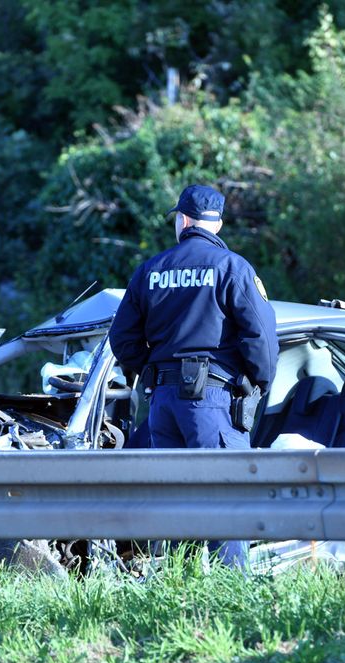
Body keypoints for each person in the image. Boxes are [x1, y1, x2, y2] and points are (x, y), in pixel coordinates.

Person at [109, 184, 279, 569]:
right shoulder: (233, 268)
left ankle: (178, 600)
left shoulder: (151, 270)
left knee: (174, 506)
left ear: (183, 220)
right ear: (216, 223)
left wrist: (152, 371)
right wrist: (256, 383)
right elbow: (262, 340)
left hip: (164, 404)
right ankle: (232, 605)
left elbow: (122, 338)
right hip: (213, 402)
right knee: (227, 504)